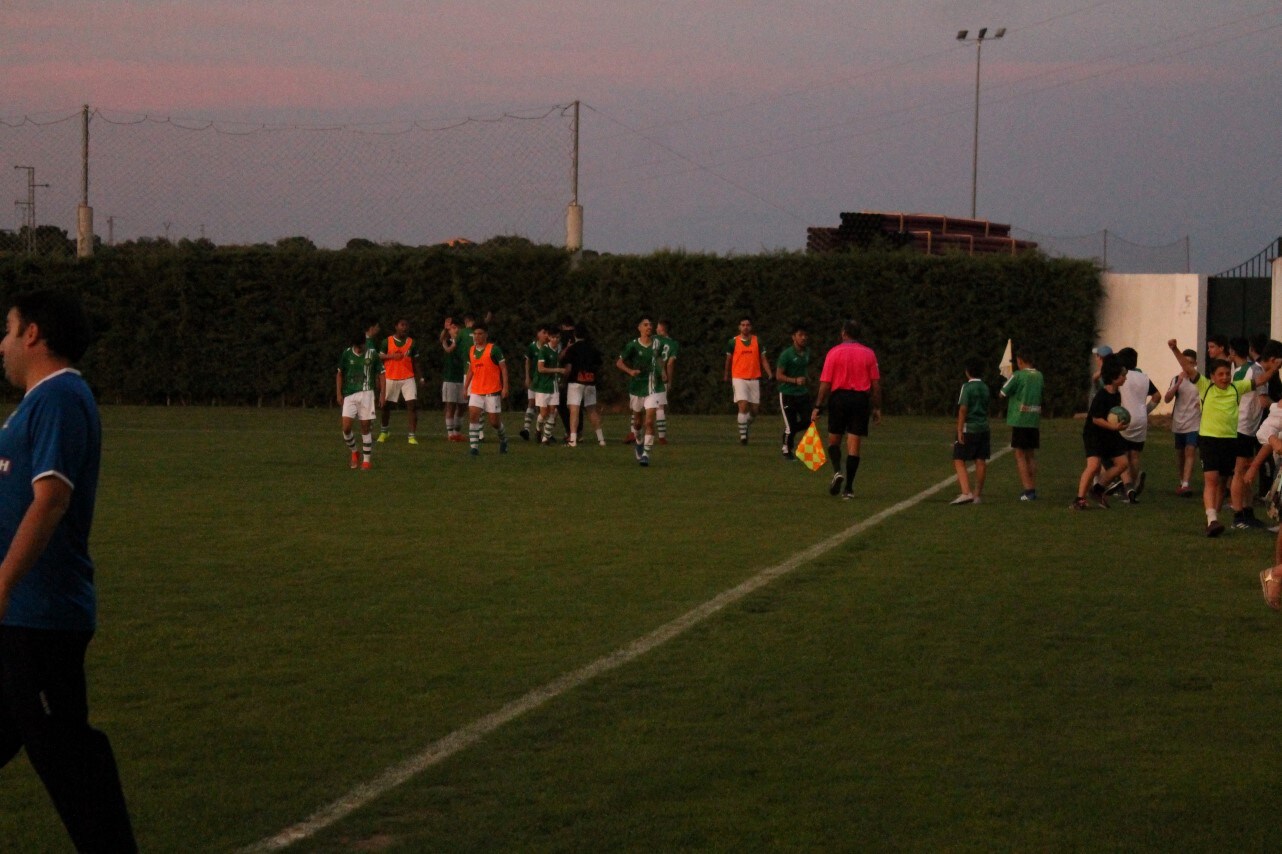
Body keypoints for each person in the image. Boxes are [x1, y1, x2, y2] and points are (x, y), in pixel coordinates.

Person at [0, 290, 137, 851]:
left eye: (7, 329)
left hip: (40, 616)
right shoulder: (38, 403)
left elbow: (51, 498)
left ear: (33, 335)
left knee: (65, 751)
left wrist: (3, 584)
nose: (2, 343)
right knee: (59, 745)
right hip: (26, 614)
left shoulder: (59, 397)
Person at [1168, 339, 1277, 536]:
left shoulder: (1237, 387)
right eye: (1221, 374)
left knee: (1222, 481)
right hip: (1209, 439)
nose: (1225, 377)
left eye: (1228, 374)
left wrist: (1275, 367)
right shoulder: (1205, 386)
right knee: (1211, 479)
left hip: (1230, 440)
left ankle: (1214, 517)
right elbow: (1186, 366)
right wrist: (1175, 349)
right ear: (1212, 377)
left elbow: (1260, 380)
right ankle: (1212, 519)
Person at [810, 319, 881, 499]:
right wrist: (877, 407)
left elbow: (825, 383)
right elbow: (876, 384)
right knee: (854, 444)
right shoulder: (869, 354)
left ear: (843, 333)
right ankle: (849, 488)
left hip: (839, 398)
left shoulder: (833, 352)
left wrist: (818, 406)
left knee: (834, 440)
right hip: (860, 400)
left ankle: (837, 471)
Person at [1072, 356, 1132, 510]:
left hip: (1109, 434)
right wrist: (1114, 427)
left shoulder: (1116, 394)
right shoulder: (1102, 396)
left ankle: (1098, 489)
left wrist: (1119, 425)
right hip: (1094, 435)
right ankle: (1079, 499)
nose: (1125, 378)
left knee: (1123, 463)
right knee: (1094, 466)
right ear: (1113, 377)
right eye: (1122, 375)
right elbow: (1096, 419)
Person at [1113, 347, 1160, 503]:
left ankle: (1127, 489)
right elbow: (1157, 396)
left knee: (1122, 455)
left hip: (1124, 419)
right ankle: (1132, 487)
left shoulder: (1121, 377)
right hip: (1141, 420)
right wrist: (1146, 411)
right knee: (1135, 455)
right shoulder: (1144, 377)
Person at [1229, 337, 1267, 528]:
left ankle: (1246, 512)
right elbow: (1262, 400)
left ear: (1232, 352)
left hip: (1238, 426)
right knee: (1240, 471)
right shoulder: (1256, 370)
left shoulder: (1235, 371)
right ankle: (1239, 515)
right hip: (1245, 427)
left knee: (1243, 470)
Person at [617, 317, 664, 467]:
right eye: (645, 325)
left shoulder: (657, 344)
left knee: (649, 421)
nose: (649, 327)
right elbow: (619, 362)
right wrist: (630, 371)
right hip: (637, 387)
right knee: (637, 423)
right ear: (639, 328)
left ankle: (645, 455)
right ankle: (638, 441)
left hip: (652, 387)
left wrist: (662, 371)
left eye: (650, 324)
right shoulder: (633, 345)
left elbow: (659, 359)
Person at [1000, 347, 1043, 501]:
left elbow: (1002, 393)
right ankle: (1032, 487)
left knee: (1019, 455)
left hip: (1020, 418)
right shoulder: (1039, 375)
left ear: (1020, 361)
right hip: (1033, 419)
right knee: (1030, 454)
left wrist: (1008, 378)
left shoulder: (1017, 375)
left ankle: (1028, 490)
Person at [337, 329, 384, 470]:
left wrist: (382, 393)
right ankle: (354, 452)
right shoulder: (346, 354)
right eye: (357, 347)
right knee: (346, 428)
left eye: (362, 346)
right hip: (350, 394)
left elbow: (381, 374)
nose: (360, 349)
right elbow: (339, 374)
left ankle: (367, 460)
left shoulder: (372, 354)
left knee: (365, 427)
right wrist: (338, 393)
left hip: (367, 394)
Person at [723, 317, 772, 444]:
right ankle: (743, 437)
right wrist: (726, 374)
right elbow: (728, 360)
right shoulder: (732, 342)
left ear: (751, 327)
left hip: (754, 378)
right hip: (739, 378)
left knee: (755, 410)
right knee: (743, 405)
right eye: (743, 325)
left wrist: (769, 373)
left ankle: (744, 426)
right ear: (739, 327)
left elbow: (763, 358)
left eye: (748, 325)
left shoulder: (757, 340)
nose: (745, 327)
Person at [463, 323, 510, 456]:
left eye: (480, 334)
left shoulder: (494, 349)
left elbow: (503, 368)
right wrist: (465, 387)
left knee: (494, 422)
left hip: (492, 390)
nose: (477, 336)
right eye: (475, 334)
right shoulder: (471, 350)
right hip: (477, 390)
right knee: (473, 416)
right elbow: (471, 370)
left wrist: (505, 386)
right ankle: (474, 448)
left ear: (486, 335)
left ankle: (503, 439)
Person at [950, 359, 990, 505]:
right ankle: (977, 495)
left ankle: (966, 492)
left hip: (969, 428)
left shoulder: (967, 387)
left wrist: (959, 429)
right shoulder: (985, 387)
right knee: (980, 460)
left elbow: (963, 409)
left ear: (967, 372)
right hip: (984, 428)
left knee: (959, 458)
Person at [561, 322, 606, 447]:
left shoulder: (572, 349)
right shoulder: (592, 348)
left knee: (574, 410)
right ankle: (601, 439)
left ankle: (573, 440)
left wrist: (564, 379)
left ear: (575, 334)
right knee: (592, 410)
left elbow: (568, 367)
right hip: (590, 382)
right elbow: (599, 364)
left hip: (575, 382)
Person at [377, 318, 422, 445]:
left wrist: (421, 377)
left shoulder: (412, 342)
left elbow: (416, 361)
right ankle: (384, 431)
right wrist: (392, 356)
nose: (404, 327)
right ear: (396, 326)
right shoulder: (387, 341)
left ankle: (412, 436)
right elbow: (379, 356)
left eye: (406, 325)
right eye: (402, 325)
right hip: (390, 377)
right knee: (386, 406)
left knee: (412, 406)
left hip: (408, 377)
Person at [1164, 348, 1201, 497]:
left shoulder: (1200, 381)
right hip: (1179, 422)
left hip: (1194, 422)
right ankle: (1182, 480)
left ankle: (1186, 484)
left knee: (1190, 450)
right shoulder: (1176, 379)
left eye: (1191, 363)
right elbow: (1167, 398)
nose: (1187, 366)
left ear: (1196, 364)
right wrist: (1177, 384)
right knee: (1180, 454)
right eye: (1185, 363)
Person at [774, 324, 811, 460]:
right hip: (787, 394)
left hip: (802, 393)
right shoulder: (786, 355)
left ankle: (789, 431)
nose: (803, 338)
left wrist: (806, 378)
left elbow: (803, 369)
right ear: (793, 337)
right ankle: (786, 449)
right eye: (800, 335)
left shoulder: (807, 352)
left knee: (809, 421)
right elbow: (778, 376)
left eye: (805, 335)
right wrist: (795, 380)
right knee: (790, 425)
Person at [534, 327, 568, 444]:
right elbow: (541, 368)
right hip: (543, 386)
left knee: (553, 412)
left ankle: (545, 439)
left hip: (553, 386)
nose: (555, 340)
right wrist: (558, 370)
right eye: (553, 337)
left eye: (557, 337)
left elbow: (557, 359)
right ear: (549, 337)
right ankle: (538, 430)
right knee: (544, 413)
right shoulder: (544, 350)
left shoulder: (557, 349)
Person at [439, 316, 467, 442]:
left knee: (462, 406)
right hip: (450, 379)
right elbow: (442, 339)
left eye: (457, 327)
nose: (455, 330)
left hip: (462, 378)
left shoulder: (463, 342)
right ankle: (450, 433)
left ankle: (457, 432)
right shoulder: (448, 341)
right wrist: (445, 329)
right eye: (453, 328)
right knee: (450, 406)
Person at [520, 325, 549, 442]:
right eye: (544, 332)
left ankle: (546, 433)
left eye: (547, 333)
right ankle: (526, 429)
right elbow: (528, 361)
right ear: (538, 334)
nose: (546, 335)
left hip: (546, 381)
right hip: (534, 379)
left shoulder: (549, 347)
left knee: (545, 407)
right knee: (531, 403)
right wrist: (527, 377)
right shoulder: (532, 347)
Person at [655, 320, 679, 444]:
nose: (655, 329)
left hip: (649, 375)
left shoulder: (654, 339)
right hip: (662, 378)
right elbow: (670, 363)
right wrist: (669, 381)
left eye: (657, 327)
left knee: (640, 407)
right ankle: (662, 437)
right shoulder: (674, 344)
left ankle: (634, 433)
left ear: (662, 329)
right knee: (660, 407)